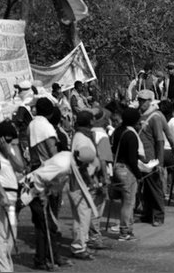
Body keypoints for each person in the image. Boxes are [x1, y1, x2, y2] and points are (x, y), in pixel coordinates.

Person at [28, 97, 69, 270]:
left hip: (35, 173)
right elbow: (53, 153)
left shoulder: (32, 124)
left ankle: (46, 257)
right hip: (48, 175)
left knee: (41, 221)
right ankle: (50, 258)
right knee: (50, 219)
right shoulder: (47, 127)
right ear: (50, 112)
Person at [0, 120, 25, 272]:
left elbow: (21, 167)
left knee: (12, 234)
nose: (10, 142)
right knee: (0, 234)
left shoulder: (11, 150)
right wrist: (2, 195)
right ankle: (5, 270)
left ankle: (7, 266)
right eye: (7, 140)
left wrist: (8, 151)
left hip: (12, 200)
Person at [68, 110, 110, 260]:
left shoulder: (83, 135)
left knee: (83, 216)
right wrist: (91, 181)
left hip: (84, 181)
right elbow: (81, 163)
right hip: (81, 183)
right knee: (82, 217)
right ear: (90, 122)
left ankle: (82, 243)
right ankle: (79, 247)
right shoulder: (82, 138)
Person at [136, 89, 168, 226]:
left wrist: (159, 162)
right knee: (146, 189)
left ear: (150, 101)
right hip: (140, 157)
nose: (141, 103)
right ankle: (147, 214)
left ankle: (159, 216)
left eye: (144, 100)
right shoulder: (138, 115)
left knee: (155, 188)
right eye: (140, 100)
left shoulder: (155, 117)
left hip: (152, 159)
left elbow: (160, 140)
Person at [111, 108, 143, 241]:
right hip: (127, 170)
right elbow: (132, 159)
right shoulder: (131, 135)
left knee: (126, 201)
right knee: (129, 203)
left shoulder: (118, 131)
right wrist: (139, 174)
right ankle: (125, 232)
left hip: (118, 167)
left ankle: (128, 229)